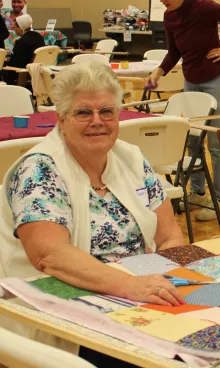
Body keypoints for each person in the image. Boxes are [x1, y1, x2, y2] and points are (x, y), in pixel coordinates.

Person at [0, 62, 188, 359]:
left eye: (107, 111)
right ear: (61, 120)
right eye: (83, 112)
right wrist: (132, 286)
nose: (97, 121)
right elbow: (50, 257)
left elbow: (170, 236)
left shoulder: (132, 159)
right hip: (60, 309)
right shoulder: (40, 170)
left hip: (134, 298)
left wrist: (163, 282)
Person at [146, 0, 220, 221]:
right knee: (192, 140)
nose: (161, 1)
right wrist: (158, 72)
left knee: (216, 141)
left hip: (216, 79)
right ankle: (198, 193)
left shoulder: (202, 6)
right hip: (191, 81)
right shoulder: (169, 16)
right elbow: (174, 51)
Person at [3, 14, 43, 85]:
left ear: (20, 28)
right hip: (39, 70)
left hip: (24, 72)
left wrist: (7, 60)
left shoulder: (21, 42)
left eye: (15, 28)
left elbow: (15, 63)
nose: (14, 30)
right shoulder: (39, 36)